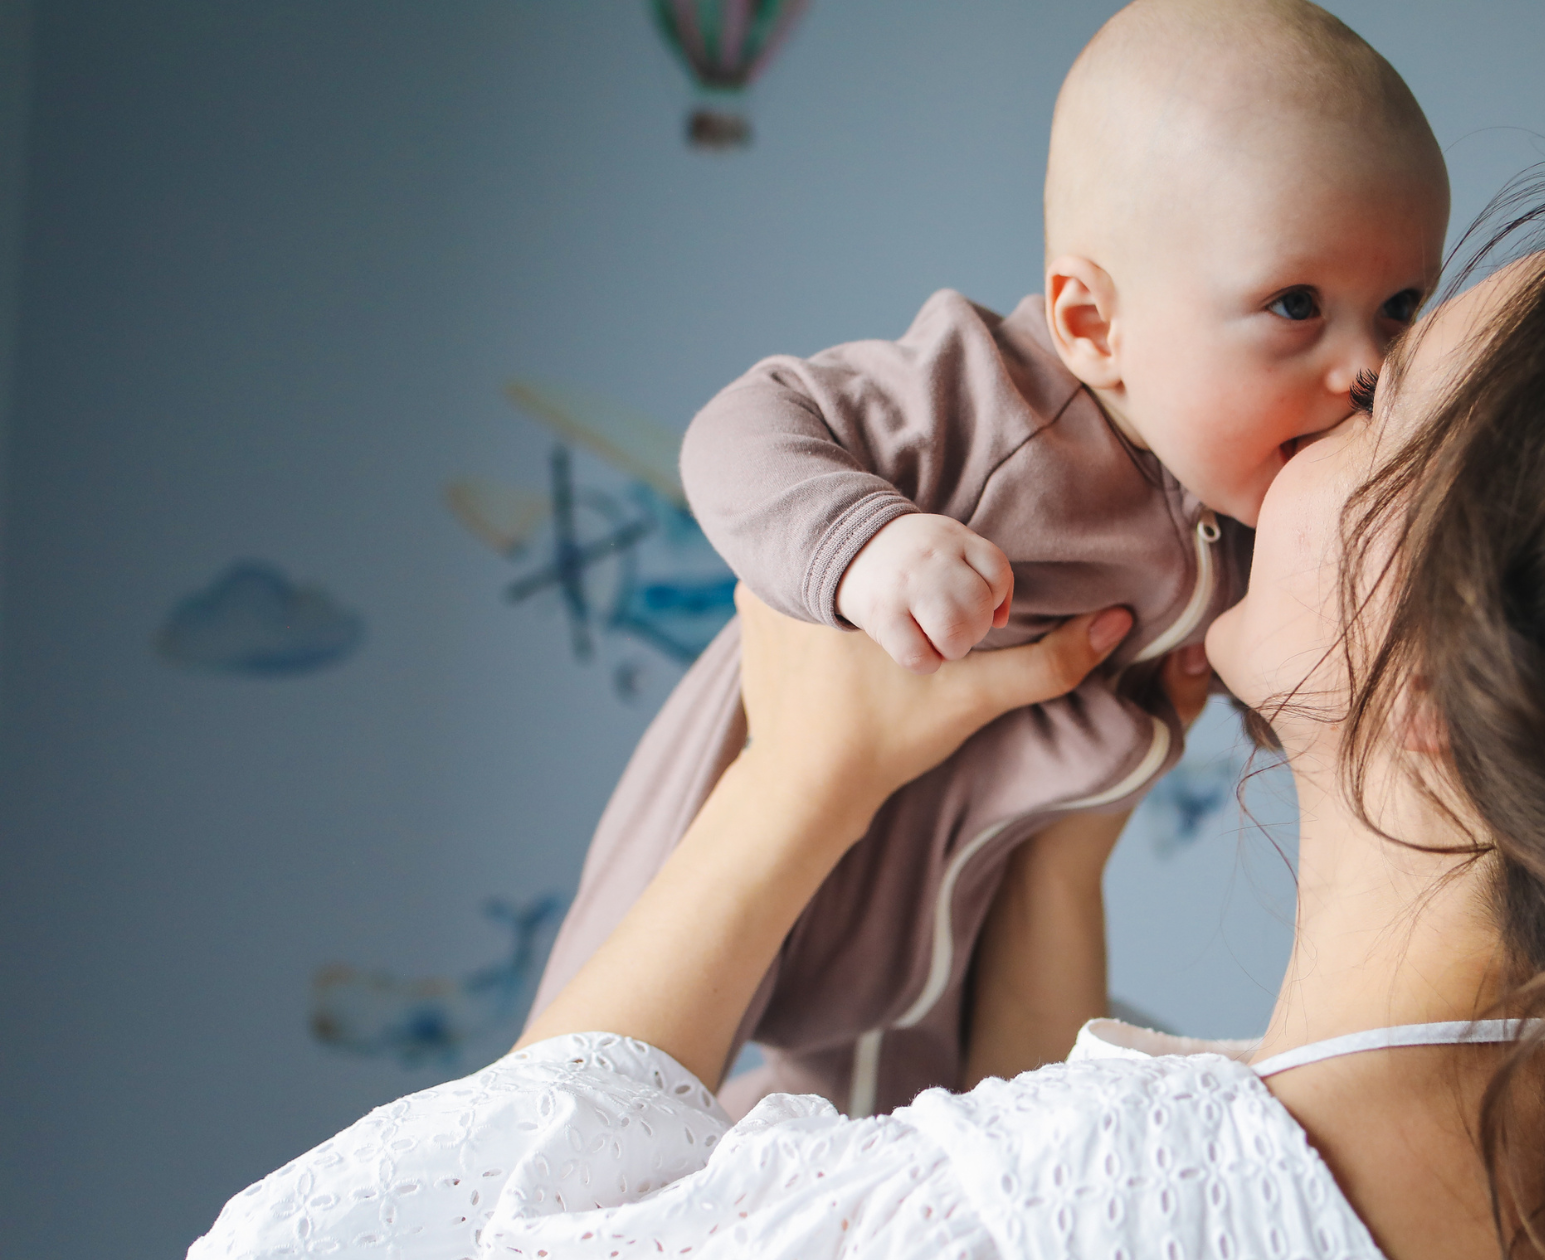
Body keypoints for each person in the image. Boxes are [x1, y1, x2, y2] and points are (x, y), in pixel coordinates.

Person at [191, 180, 1545, 1259]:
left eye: (1385, 402)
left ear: (1439, 687)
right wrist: (1059, 845)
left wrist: (789, 791)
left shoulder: (1084, 1214)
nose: (1305, 412)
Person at [528, 0, 1452, 1120]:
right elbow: (742, 426)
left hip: (957, 890)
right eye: (1295, 305)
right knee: (590, 1100)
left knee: (888, 1133)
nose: (1363, 367)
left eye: (1401, 309)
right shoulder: (990, 402)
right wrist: (865, 543)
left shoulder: (1255, 493)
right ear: (1091, 323)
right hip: (763, 797)